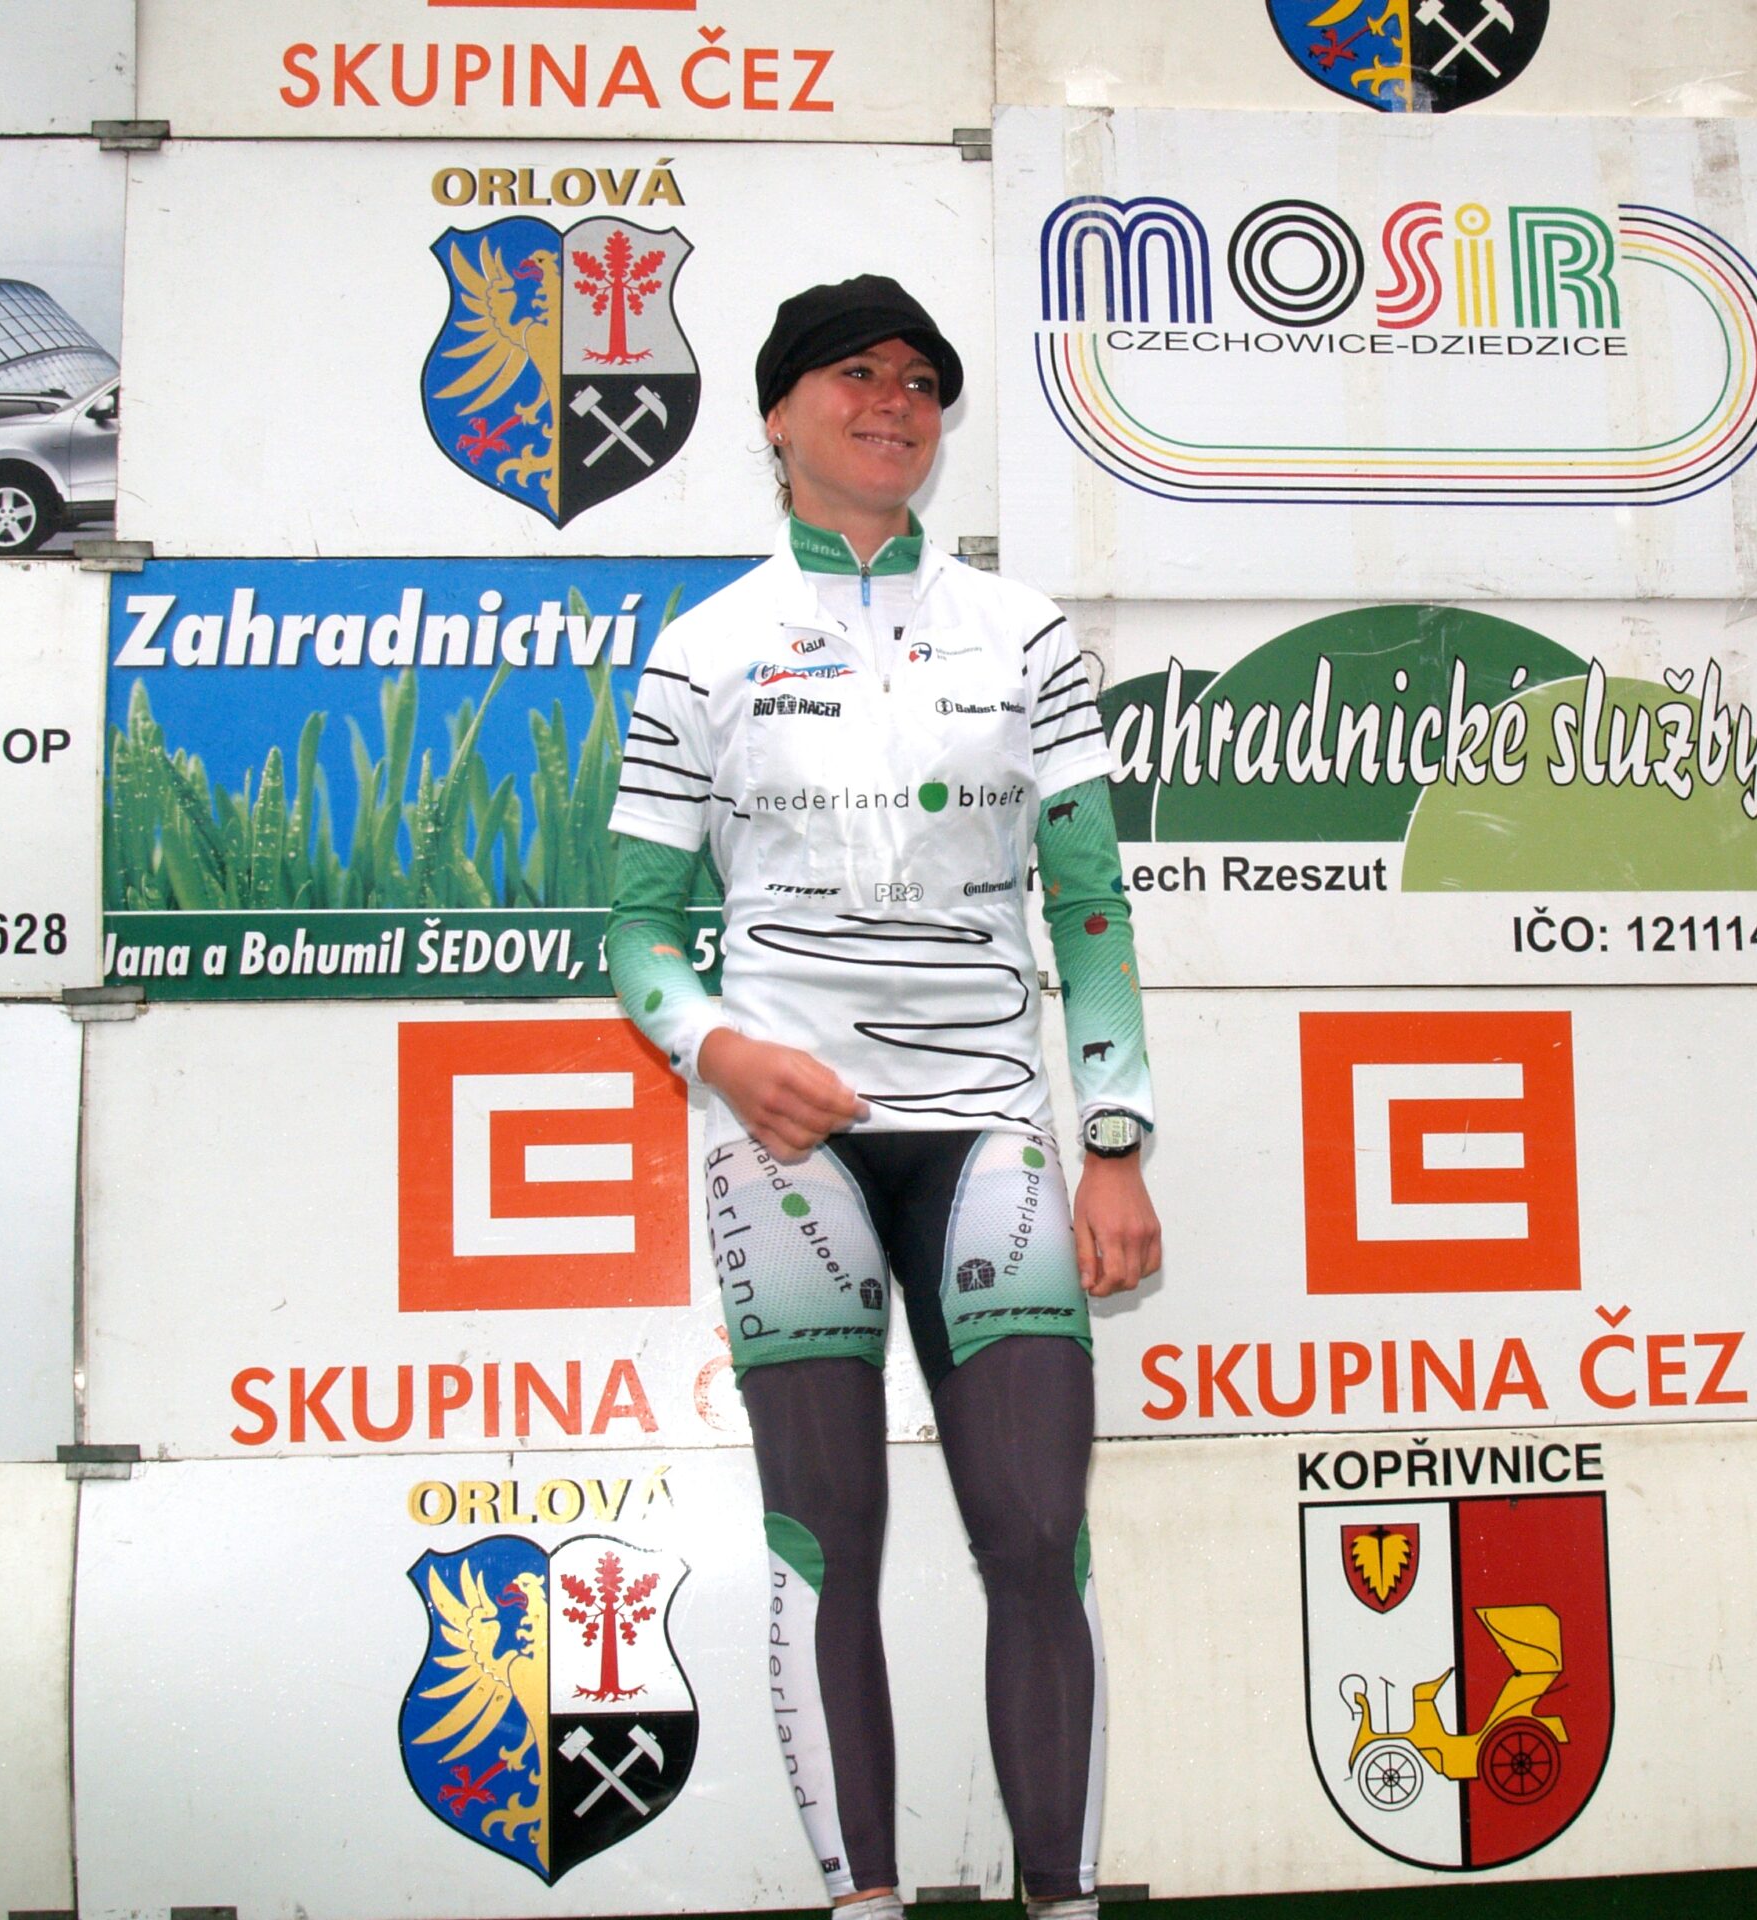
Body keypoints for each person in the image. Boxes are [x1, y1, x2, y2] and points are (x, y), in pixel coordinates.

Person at [604, 274, 1159, 1920]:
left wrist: (1114, 1139)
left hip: (988, 1126)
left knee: (1035, 1531)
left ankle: (1060, 1900)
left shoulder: (1025, 633)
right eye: (856, 374)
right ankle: (866, 1905)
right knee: (825, 1535)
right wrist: (719, 1051)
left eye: (921, 381)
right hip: (793, 1140)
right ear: (778, 414)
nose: (894, 403)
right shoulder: (701, 650)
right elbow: (635, 932)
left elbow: (1090, 908)